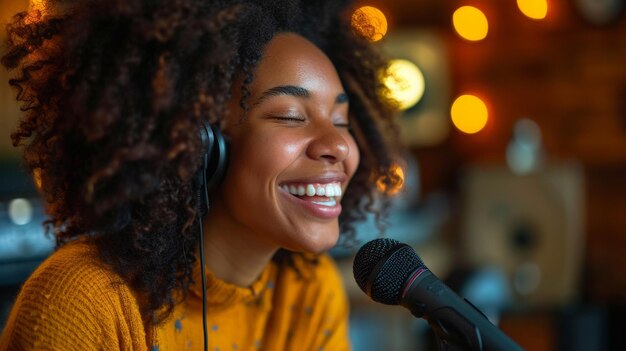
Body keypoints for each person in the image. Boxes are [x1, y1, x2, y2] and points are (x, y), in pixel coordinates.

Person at [0, 0, 400, 350]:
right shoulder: (84, 301)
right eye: (290, 116)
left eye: (341, 120)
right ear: (198, 145)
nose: (340, 145)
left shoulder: (307, 291)